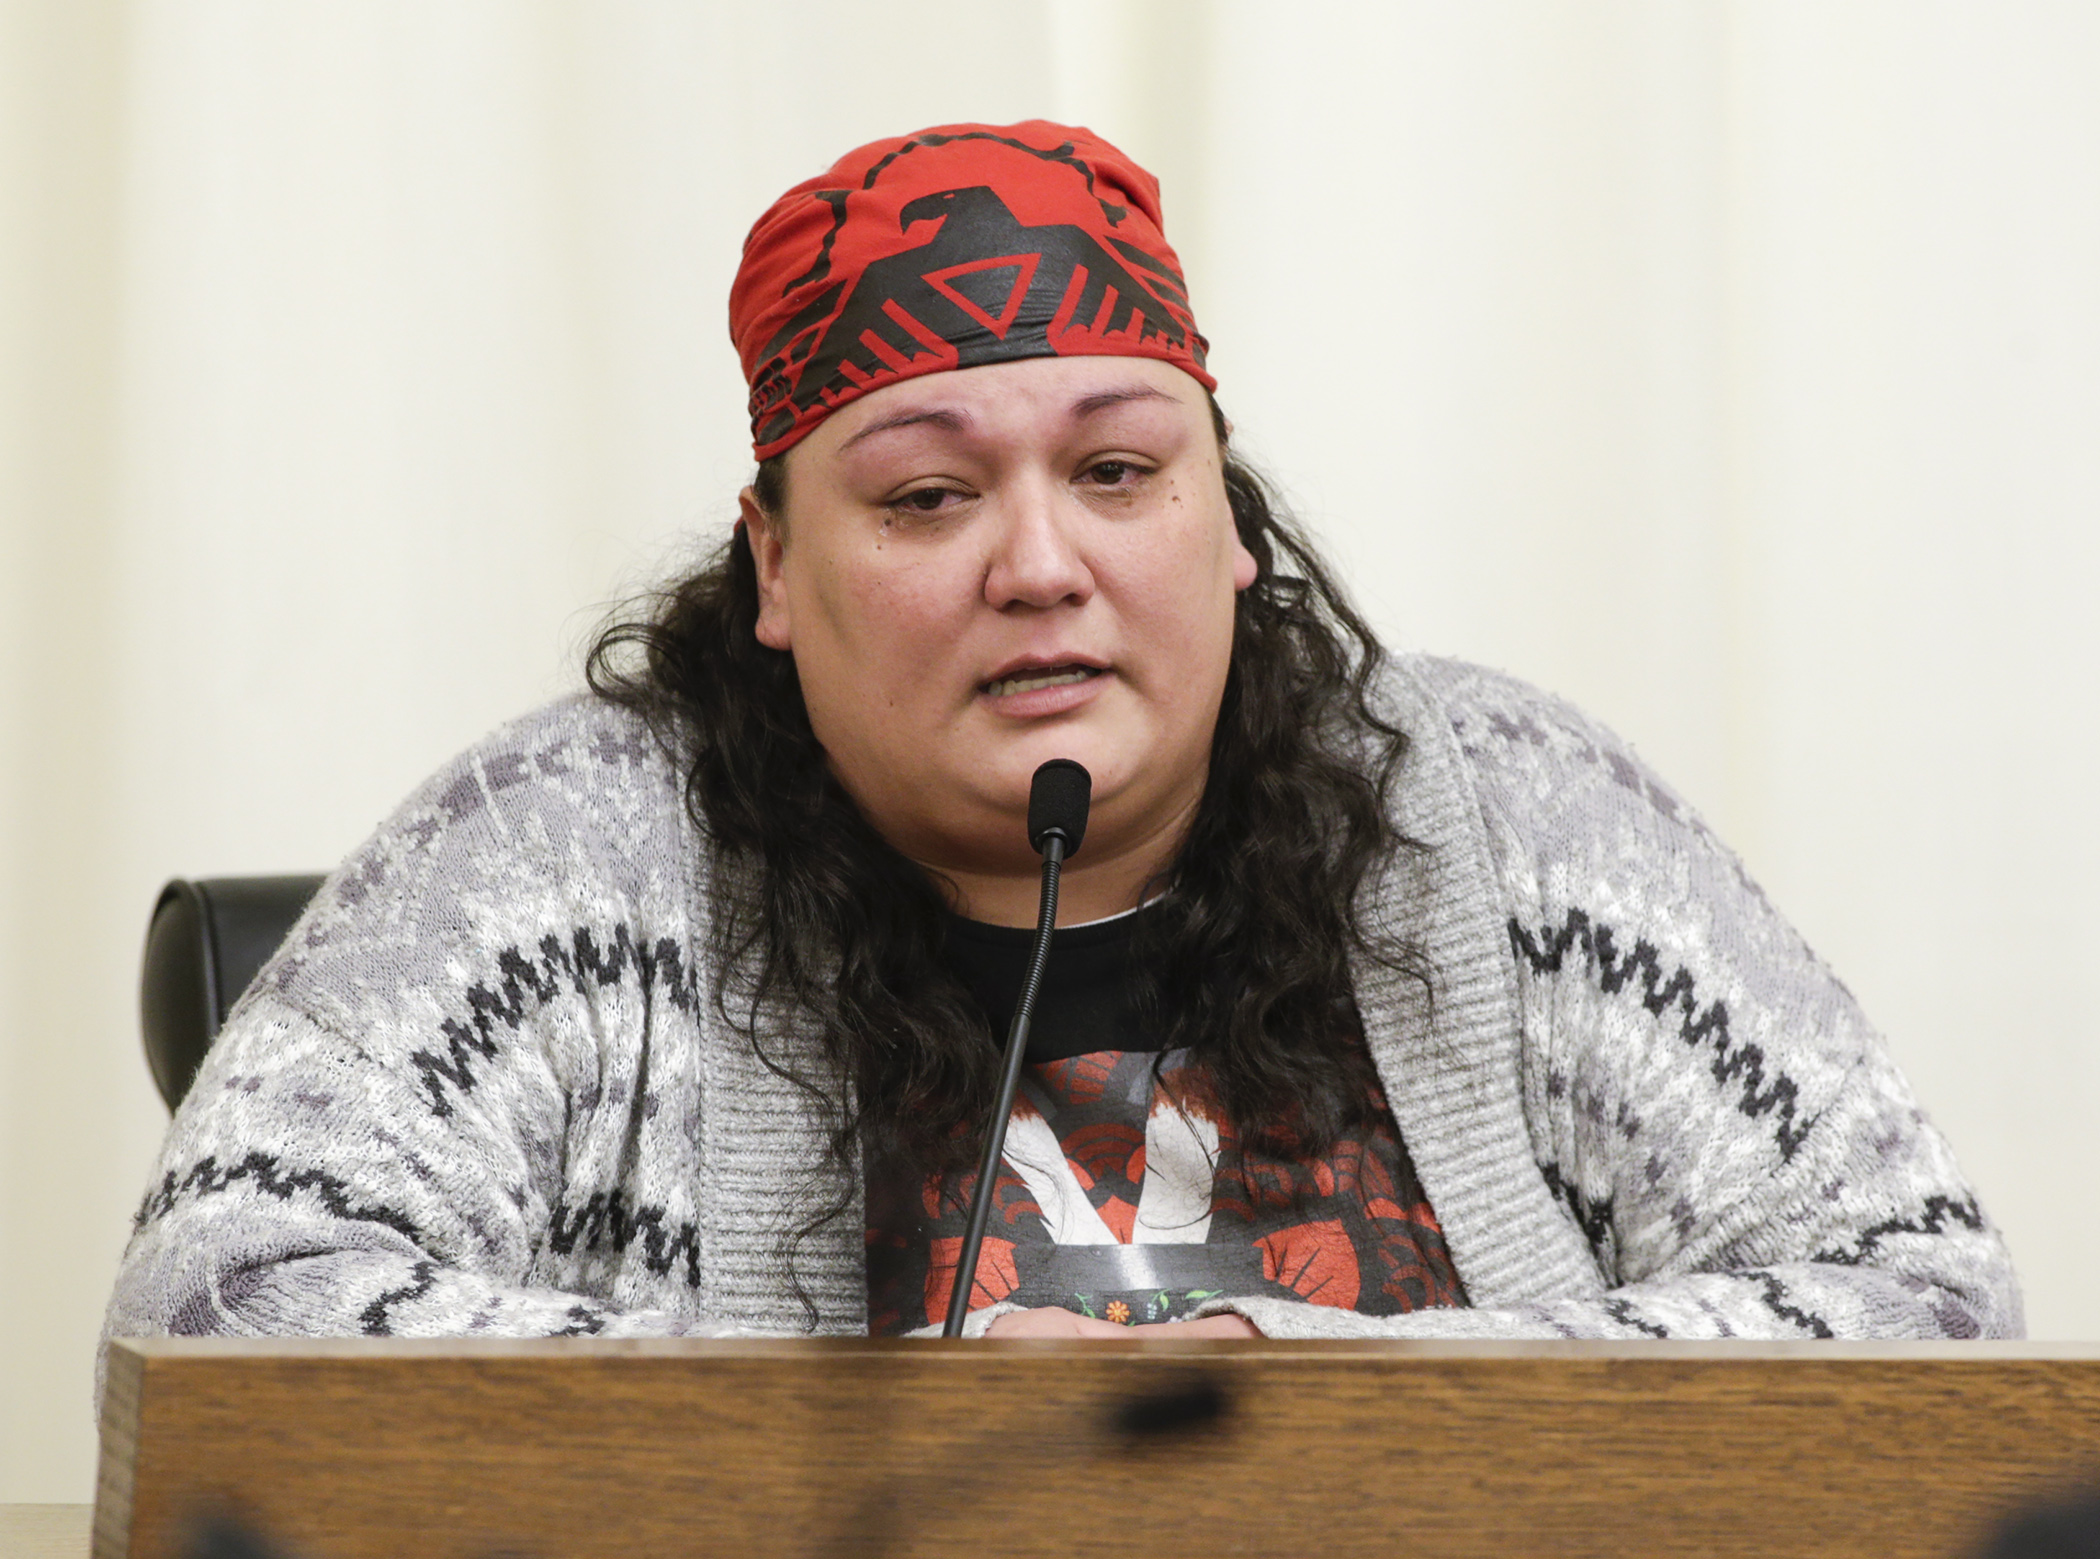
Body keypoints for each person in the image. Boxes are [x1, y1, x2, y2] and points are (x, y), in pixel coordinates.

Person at [104, 121, 2019, 1350]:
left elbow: (1924, 1298)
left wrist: (1360, 1397)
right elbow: (219, 1303)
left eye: (1118, 471)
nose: (1044, 565)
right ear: (773, 563)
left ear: (1234, 523)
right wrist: (892, 1424)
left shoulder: (1502, 824)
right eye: (928, 500)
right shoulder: (567, 852)